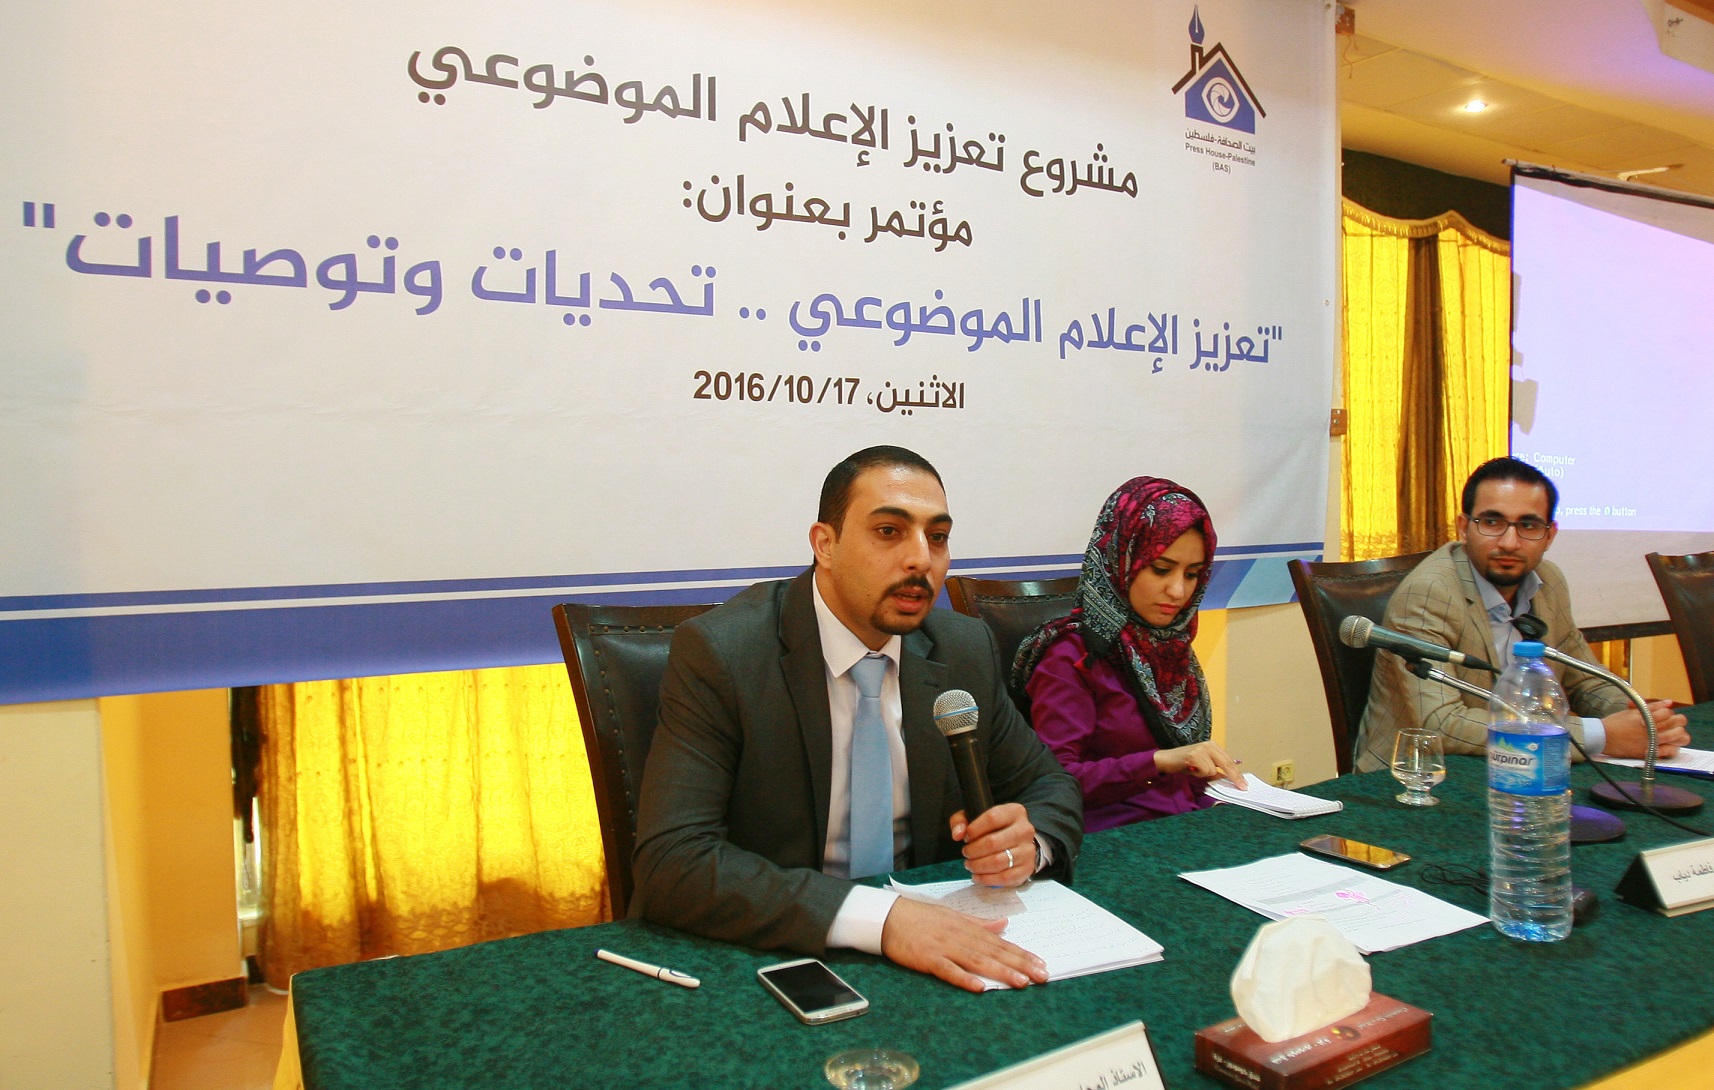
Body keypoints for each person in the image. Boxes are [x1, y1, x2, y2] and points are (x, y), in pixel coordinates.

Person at [630, 446, 1083, 993]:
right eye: (889, 532)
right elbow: (673, 861)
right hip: (770, 958)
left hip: (939, 944)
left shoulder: (962, 648)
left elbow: (1049, 785)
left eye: (937, 537)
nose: (921, 559)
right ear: (825, 544)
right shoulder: (724, 653)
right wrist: (882, 920)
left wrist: (1028, 843)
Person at [1354, 456, 1690, 772]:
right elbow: (1441, 723)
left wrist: (1640, 720)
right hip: (1419, 777)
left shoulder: (1548, 581)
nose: (1510, 542)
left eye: (1528, 525)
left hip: (1515, 765)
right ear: (1463, 527)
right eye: (1492, 522)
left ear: (1549, 535)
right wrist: (1600, 735)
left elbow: (1585, 679)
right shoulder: (1429, 593)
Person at [1010, 477, 1245, 832]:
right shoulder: (1072, 655)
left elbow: (1180, 772)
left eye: (1192, 574)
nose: (1178, 590)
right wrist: (1159, 762)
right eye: (1161, 569)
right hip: (1110, 837)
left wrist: (1215, 778)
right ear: (1121, 562)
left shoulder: (1168, 646)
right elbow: (1055, 781)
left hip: (1183, 823)